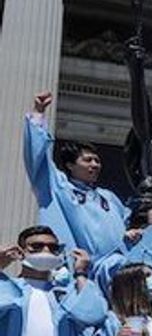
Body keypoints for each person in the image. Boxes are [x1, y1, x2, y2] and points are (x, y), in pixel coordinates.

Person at [23, 91, 129, 258]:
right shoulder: (58, 187)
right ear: (70, 165)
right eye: (88, 160)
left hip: (117, 270)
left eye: (97, 161)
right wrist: (39, 113)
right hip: (78, 267)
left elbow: (130, 221)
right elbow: (37, 159)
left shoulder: (108, 197)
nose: (95, 165)